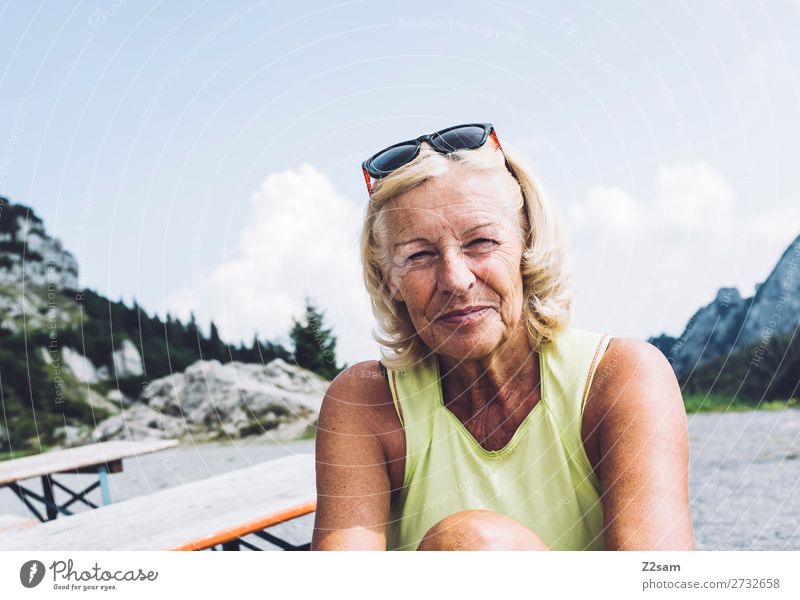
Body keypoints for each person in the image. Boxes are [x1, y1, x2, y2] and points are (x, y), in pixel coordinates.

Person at [311, 123, 694, 551]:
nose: (455, 280)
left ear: (527, 244)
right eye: (419, 255)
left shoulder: (621, 377)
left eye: (480, 242)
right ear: (390, 279)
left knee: (468, 545)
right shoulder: (366, 403)